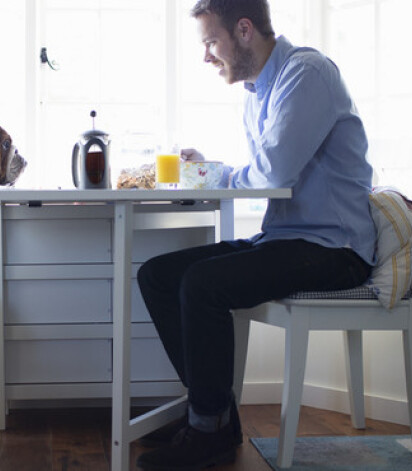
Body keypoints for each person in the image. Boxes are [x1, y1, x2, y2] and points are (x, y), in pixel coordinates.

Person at [136, 1, 376, 470]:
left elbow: (272, 172)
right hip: (287, 239)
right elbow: (268, 172)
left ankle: (208, 428)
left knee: (202, 285)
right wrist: (213, 171)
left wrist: (214, 174)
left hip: (335, 248)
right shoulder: (258, 91)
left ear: (243, 30)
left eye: (210, 41)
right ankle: (213, 412)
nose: (206, 55)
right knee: (158, 275)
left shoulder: (306, 74)